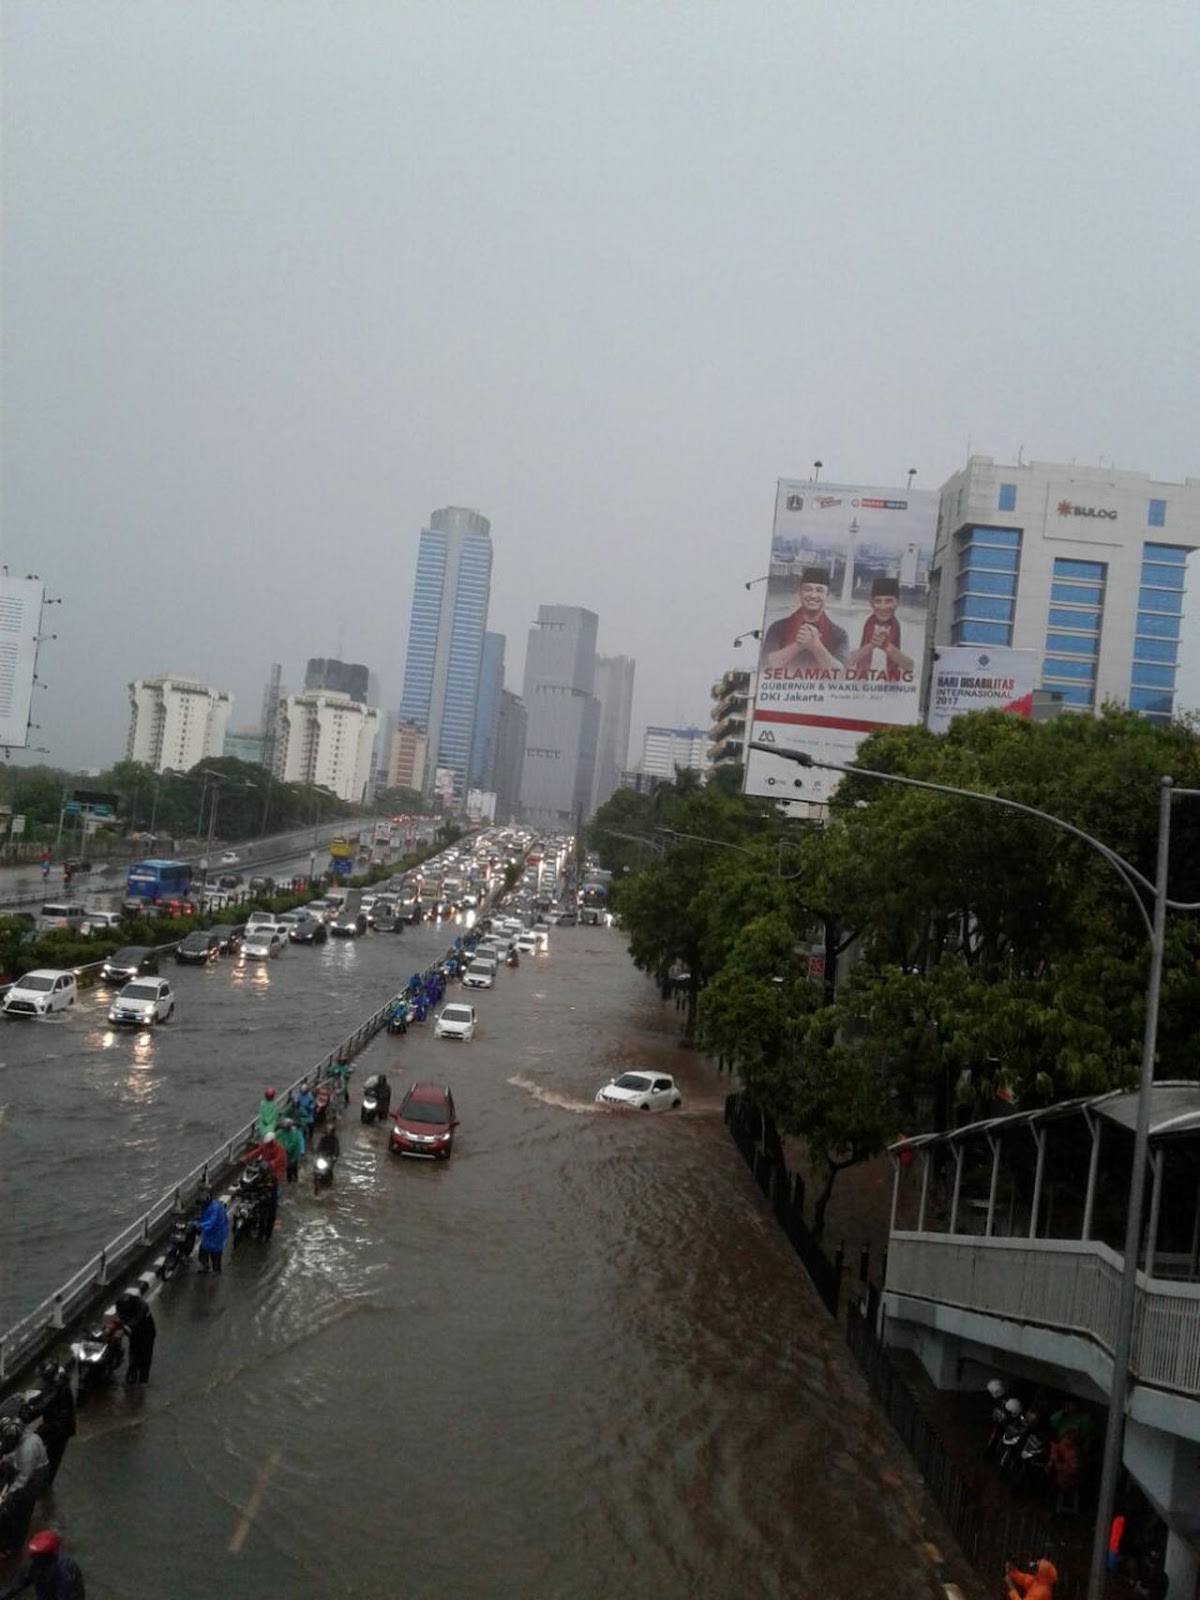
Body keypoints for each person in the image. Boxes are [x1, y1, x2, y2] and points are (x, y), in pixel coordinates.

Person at [760, 566, 849, 673]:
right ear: (799, 592)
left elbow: (841, 674)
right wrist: (798, 645)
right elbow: (766, 665)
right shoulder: (778, 628)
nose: (813, 595)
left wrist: (816, 646)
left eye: (819, 590)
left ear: (827, 595)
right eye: (808, 589)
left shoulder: (839, 634)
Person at [847, 576, 913, 680]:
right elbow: (844, 662)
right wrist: (871, 646)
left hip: (892, 691)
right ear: (871, 603)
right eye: (878, 601)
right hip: (859, 689)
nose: (883, 607)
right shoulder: (858, 623)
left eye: (889, 601)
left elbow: (910, 667)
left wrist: (887, 646)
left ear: (897, 602)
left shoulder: (908, 627)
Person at [22, 1364, 75, 1488]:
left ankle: (42, 1483)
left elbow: (43, 1405)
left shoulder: (58, 1387)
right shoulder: (58, 1384)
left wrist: (24, 1417)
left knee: (42, 1449)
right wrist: (28, 1402)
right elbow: (41, 1398)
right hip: (57, 1425)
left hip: (58, 1427)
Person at [0, 1422, 48, 1556]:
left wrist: (7, 1496)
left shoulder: (28, 1449)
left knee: (20, 1513)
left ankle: (13, 1547)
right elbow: (13, 1453)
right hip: (26, 1468)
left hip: (32, 1478)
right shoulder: (22, 1435)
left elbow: (23, 1478)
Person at [0, 1529, 85, 1599]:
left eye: (37, 1556)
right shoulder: (35, 1566)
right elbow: (14, 1585)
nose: (33, 1558)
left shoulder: (65, 1571)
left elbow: (64, 1595)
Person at [115, 1291, 156, 1386]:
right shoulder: (123, 1304)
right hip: (134, 1334)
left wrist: (124, 1329)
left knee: (145, 1356)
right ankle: (131, 1375)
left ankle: (143, 1379)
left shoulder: (142, 1307)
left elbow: (136, 1321)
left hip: (146, 1334)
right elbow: (120, 1316)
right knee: (133, 1352)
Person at [194, 1188, 229, 1274]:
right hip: (208, 1236)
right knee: (202, 1254)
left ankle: (214, 1280)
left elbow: (211, 1223)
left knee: (216, 1262)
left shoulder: (215, 1208)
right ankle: (205, 1267)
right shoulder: (207, 1207)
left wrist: (197, 1224)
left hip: (217, 1235)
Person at [276, 1119, 304, 1184]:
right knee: (288, 1168)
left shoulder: (294, 1133)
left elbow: (293, 1144)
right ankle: (289, 1181)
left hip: (292, 1155)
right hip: (285, 1155)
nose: (284, 1128)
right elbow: (277, 1140)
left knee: (293, 1167)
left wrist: (284, 1149)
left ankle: (295, 1179)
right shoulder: (280, 1132)